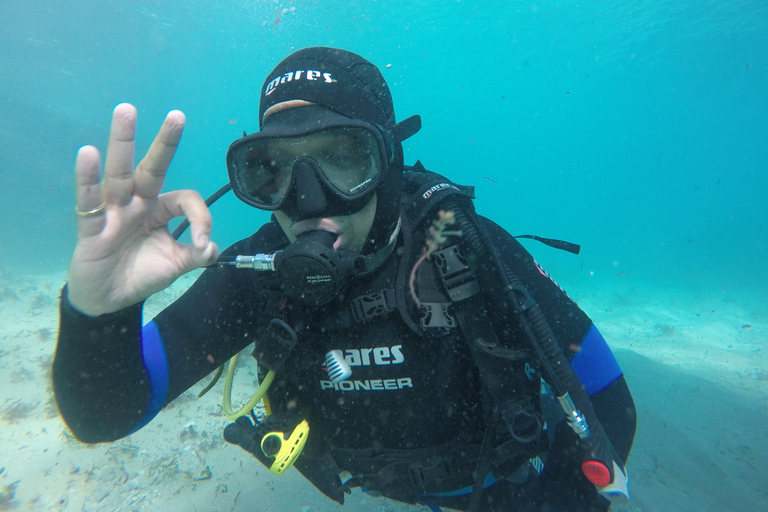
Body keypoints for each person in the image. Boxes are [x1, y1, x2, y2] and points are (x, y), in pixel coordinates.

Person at [53, 47, 636, 512]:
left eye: (342, 158)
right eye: (274, 170)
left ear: (388, 162)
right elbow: (104, 412)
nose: (308, 202)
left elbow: (610, 400)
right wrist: (98, 315)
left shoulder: (459, 246)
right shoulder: (260, 272)